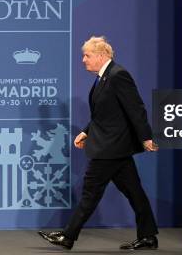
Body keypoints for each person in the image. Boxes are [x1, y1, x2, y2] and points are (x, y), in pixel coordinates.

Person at [38, 36, 159, 250]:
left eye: (87, 55)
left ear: (102, 56)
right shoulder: (103, 78)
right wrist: (86, 132)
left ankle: (68, 236)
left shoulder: (118, 75)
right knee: (135, 192)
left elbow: (136, 108)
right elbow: (103, 115)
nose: (83, 60)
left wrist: (146, 137)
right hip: (114, 148)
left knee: (90, 193)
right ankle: (148, 236)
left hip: (109, 148)